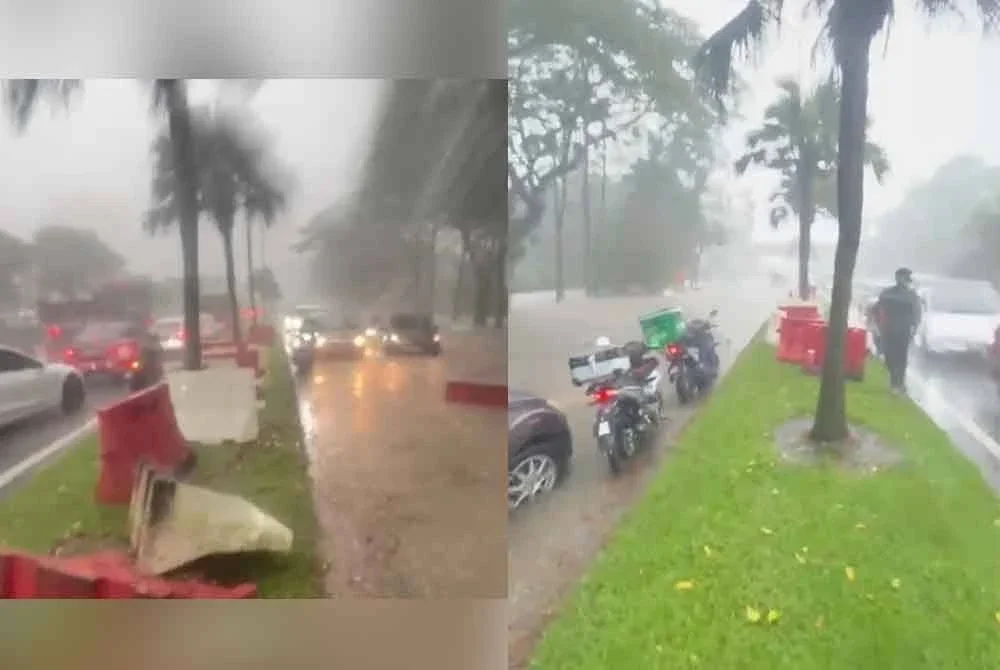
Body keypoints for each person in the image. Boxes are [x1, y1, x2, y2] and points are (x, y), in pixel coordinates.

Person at [873, 267, 922, 393]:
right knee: (889, 357)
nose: (903, 281)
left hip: (904, 330)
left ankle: (898, 383)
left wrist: (914, 329)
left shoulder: (912, 296)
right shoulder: (887, 293)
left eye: (905, 279)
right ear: (897, 278)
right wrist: (878, 326)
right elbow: (877, 310)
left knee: (901, 357)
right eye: (901, 277)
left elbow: (917, 314)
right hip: (888, 329)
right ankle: (896, 381)